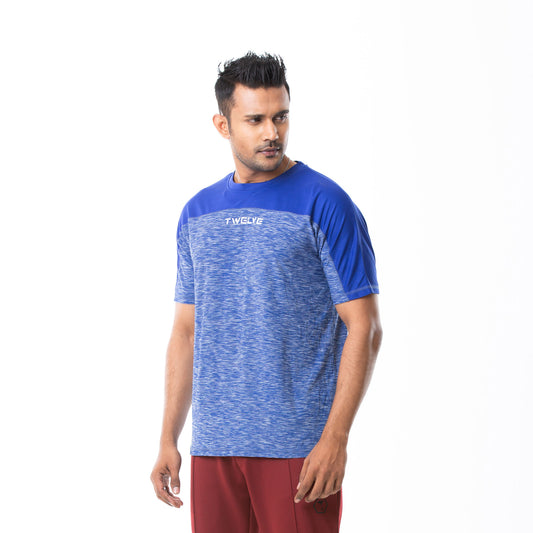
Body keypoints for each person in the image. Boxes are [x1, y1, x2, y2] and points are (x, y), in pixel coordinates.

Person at [150, 52, 383, 533]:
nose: (272, 132)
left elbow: (365, 326)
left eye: (281, 117)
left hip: (297, 448)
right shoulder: (197, 213)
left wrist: (336, 439)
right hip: (214, 446)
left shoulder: (325, 202)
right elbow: (186, 332)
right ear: (223, 125)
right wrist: (168, 437)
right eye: (255, 120)